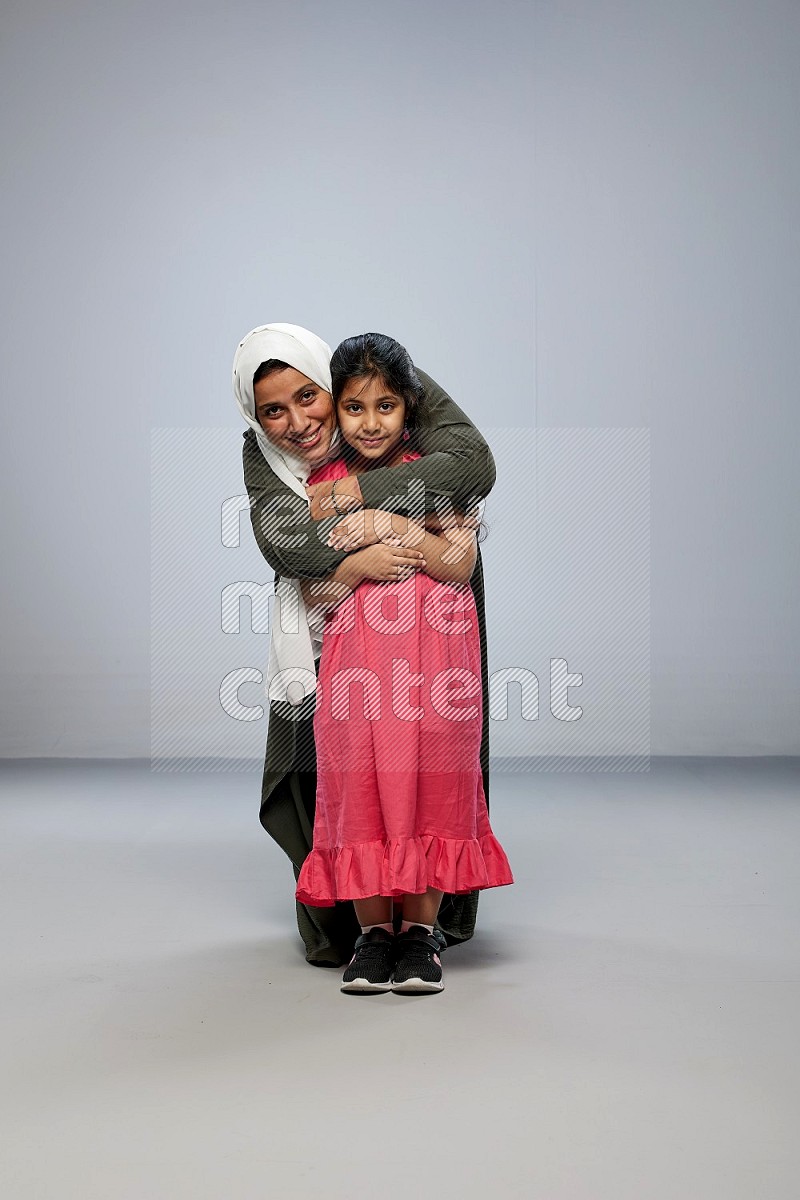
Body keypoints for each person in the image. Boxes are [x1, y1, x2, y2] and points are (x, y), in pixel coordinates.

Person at [233, 323, 497, 967]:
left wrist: (363, 502)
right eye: (274, 410)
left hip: (429, 623)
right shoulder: (259, 456)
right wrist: (353, 563)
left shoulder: (374, 376)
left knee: (434, 767)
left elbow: (472, 468)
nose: (297, 421)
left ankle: (429, 925)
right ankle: (342, 929)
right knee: (327, 774)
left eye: (310, 397)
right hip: (327, 626)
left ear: (330, 384)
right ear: (254, 413)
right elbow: (285, 541)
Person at [294, 333, 514, 994]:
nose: (370, 423)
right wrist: (354, 565)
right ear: (337, 412)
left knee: (430, 780)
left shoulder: (436, 470)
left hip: (438, 667)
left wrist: (394, 529)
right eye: (355, 408)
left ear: (408, 407)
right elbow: (318, 587)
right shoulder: (325, 486)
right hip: (358, 670)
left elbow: (459, 562)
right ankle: (372, 935)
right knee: (360, 782)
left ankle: (419, 933)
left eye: (385, 406)